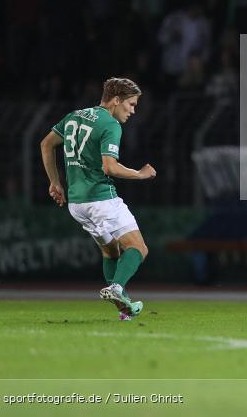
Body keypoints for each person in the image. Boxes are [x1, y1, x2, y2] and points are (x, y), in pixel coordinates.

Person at [39, 77, 156, 320]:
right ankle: (117, 288)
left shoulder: (74, 116)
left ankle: (123, 308)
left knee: (111, 252)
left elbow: (46, 144)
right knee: (138, 248)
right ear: (116, 100)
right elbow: (109, 167)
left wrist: (55, 182)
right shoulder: (110, 124)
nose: (133, 111)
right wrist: (140, 174)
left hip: (77, 204)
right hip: (101, 199)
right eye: (131, 104)